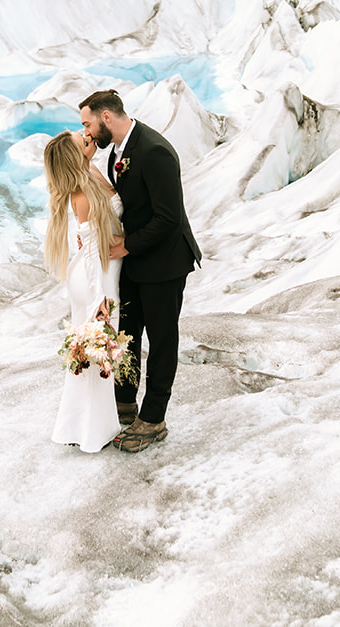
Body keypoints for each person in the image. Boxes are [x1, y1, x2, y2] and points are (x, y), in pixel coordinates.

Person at [79, 88, 201, 453]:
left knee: (163, 341)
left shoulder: (155, 151)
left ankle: (153, 419)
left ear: (105, 117)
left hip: (164, 263)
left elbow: (169, 218)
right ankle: (125, 401)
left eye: (87, 124)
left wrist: (126, 245)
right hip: (135, 263)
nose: (86, 132)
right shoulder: (118, 149)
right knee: (128, 334)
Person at [44, 129, 125, 452]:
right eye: (83, 141)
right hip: (96, 278)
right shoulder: (84, 195)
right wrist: (99, 301)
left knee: (94, 358)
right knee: (95, 356)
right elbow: (93, 254)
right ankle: (92, 433)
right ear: (77, 157)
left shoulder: (91, 172)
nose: (87, 136)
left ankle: (80, 427)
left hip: (98, 272)